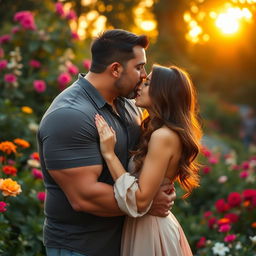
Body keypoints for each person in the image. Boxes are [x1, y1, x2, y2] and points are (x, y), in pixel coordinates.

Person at [37, 29, 176, 256]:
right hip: (81, 247)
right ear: (115, 69)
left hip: (126, 241)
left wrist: (156, 186)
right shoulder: (70, 115)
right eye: (139, 67)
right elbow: (85, 197)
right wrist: (147, 202)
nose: (144, 75)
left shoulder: (129, 105)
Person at [95, 64, 202, 256]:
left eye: (148, 83)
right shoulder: (157, 132)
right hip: (145, 226)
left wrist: (109, 154)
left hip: (152, 231)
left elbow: (140, 200)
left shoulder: (163, 136)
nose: (139, 86)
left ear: (163, 93)